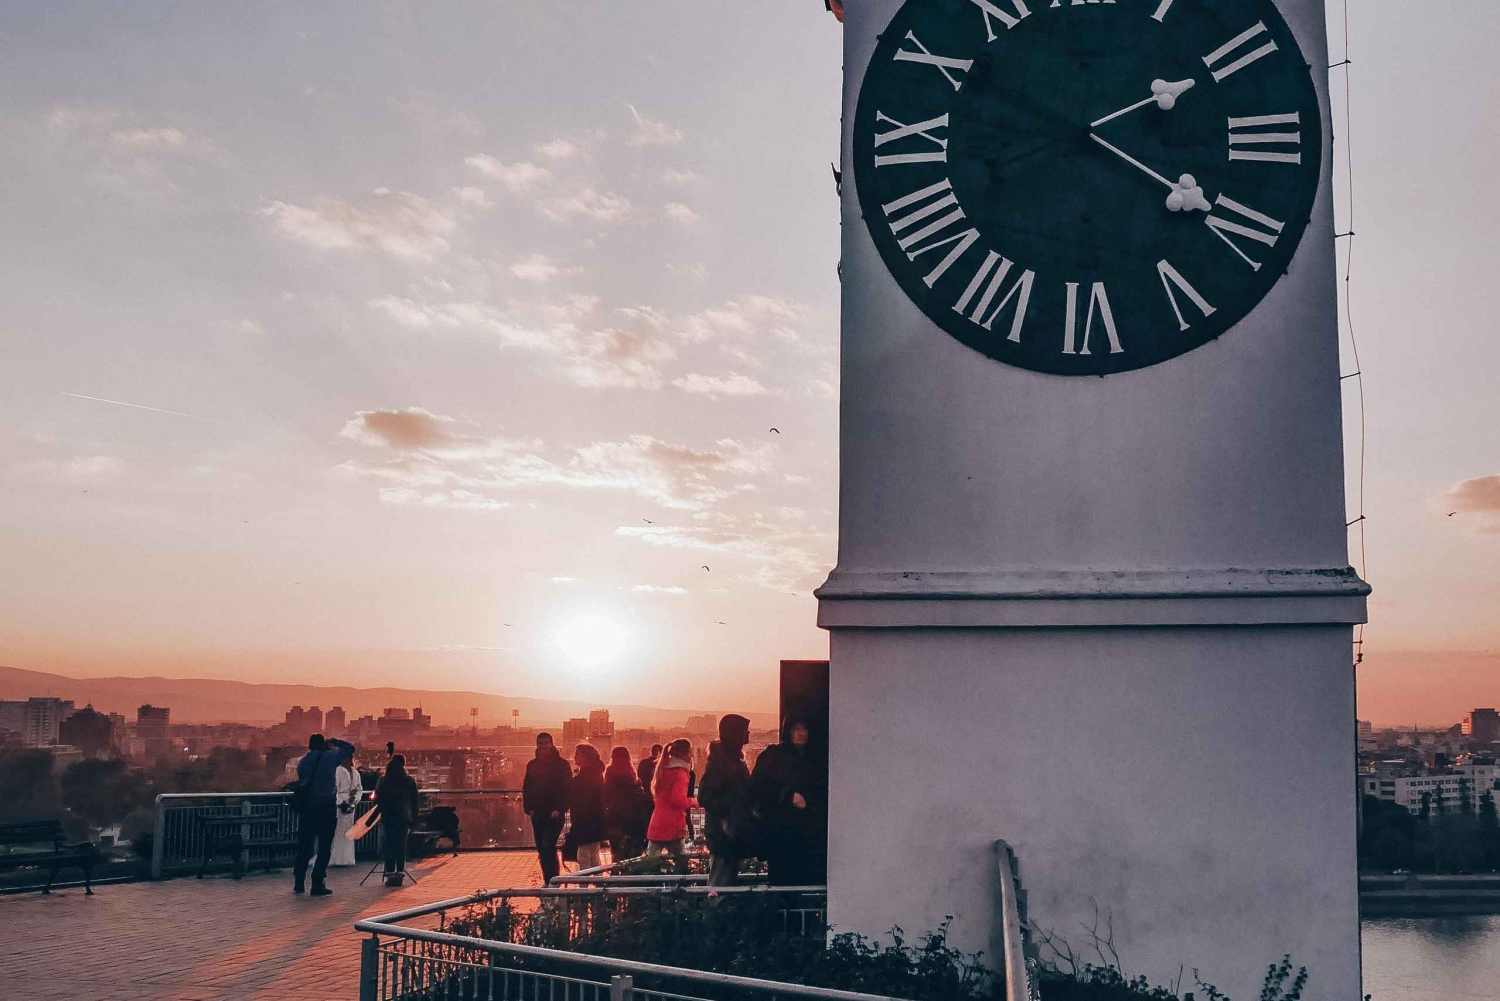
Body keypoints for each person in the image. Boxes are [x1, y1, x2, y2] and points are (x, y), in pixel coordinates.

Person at [749, 715, 827, 886]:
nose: (801, 733)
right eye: (796, 729)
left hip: (809, 836)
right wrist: (787, 796)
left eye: (804, 729)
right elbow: (757, 790)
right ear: (788, 731)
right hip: (781, 834)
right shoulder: (772, 757)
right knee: (783, 884)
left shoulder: (817, 759)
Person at [292, 733, 355, 896]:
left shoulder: (303, 762)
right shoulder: (330, 757)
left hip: (307, 807)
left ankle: (299, 881)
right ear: (323, 744)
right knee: (325, 846)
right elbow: (350, 749)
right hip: (326, 805)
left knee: (304, 845)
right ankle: (317, 882)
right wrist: (335, 742)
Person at [697, 714, 752, 887]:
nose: (748, 733)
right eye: (745, 730)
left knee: (725, 879)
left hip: (729, 832)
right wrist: (735, 803)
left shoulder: (729, 760)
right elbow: (705, 796)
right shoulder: (721, 763)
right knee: (720, 884)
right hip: (724, 833)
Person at [522, 732, 571, 884]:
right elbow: (527, 788)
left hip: (554, 814)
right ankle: (548, 879)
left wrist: (560, 809)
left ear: (551, 744)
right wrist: (529, 809)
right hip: (537, 813)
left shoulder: (562, 765)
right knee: (542, 848)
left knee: (547, 845)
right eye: (540, 743)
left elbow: (567, 789)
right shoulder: (532, 764)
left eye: (546, 743)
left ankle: (553, 879)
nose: (543, 746)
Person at [644, 738, 694, 873]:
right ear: (684, 754)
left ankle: (650, 885)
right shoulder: (680, 773)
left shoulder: (662, 769)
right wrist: (694, 802)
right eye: (690, 752)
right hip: (673, 825)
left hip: (657, 823)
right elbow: (678, 799)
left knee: (651, 864)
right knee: (681, 864)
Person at [374, 754, 420, 887]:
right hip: (404, 818)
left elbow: (377, 799)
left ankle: (389, 873)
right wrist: (414, 818)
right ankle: (399, 873)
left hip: (388, 817)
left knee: (389, 844)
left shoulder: (383, 780)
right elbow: (415, 801)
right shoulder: (409, 781)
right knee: (401, 845)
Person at [567, 744, 608, 871]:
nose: (575, 757)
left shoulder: (584, 776)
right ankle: (598, 879)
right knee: (594, 853)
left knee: (583, 855)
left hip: (584, 820)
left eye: (577, 754)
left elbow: (581, 799)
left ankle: (585, 881)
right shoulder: (596, 773)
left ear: (586, 757)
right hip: (595, 819)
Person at [603, 746, 648, 861]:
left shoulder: (610, 771)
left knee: (617, 851)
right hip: (633, 818)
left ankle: (617, 870)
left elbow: (607, 793)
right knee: (632, 852)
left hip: (615, 817)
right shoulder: (632, 773)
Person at [330, 755, 361, 867]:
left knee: (348, 831)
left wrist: (354, 799)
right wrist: (340, 802)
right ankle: (336, 858)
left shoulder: (355, 773)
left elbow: (359, 789)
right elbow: (334, 789)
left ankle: (347, 858)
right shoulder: (337, 771)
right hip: (340, 804)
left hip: (350, 804)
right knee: (338, 831)